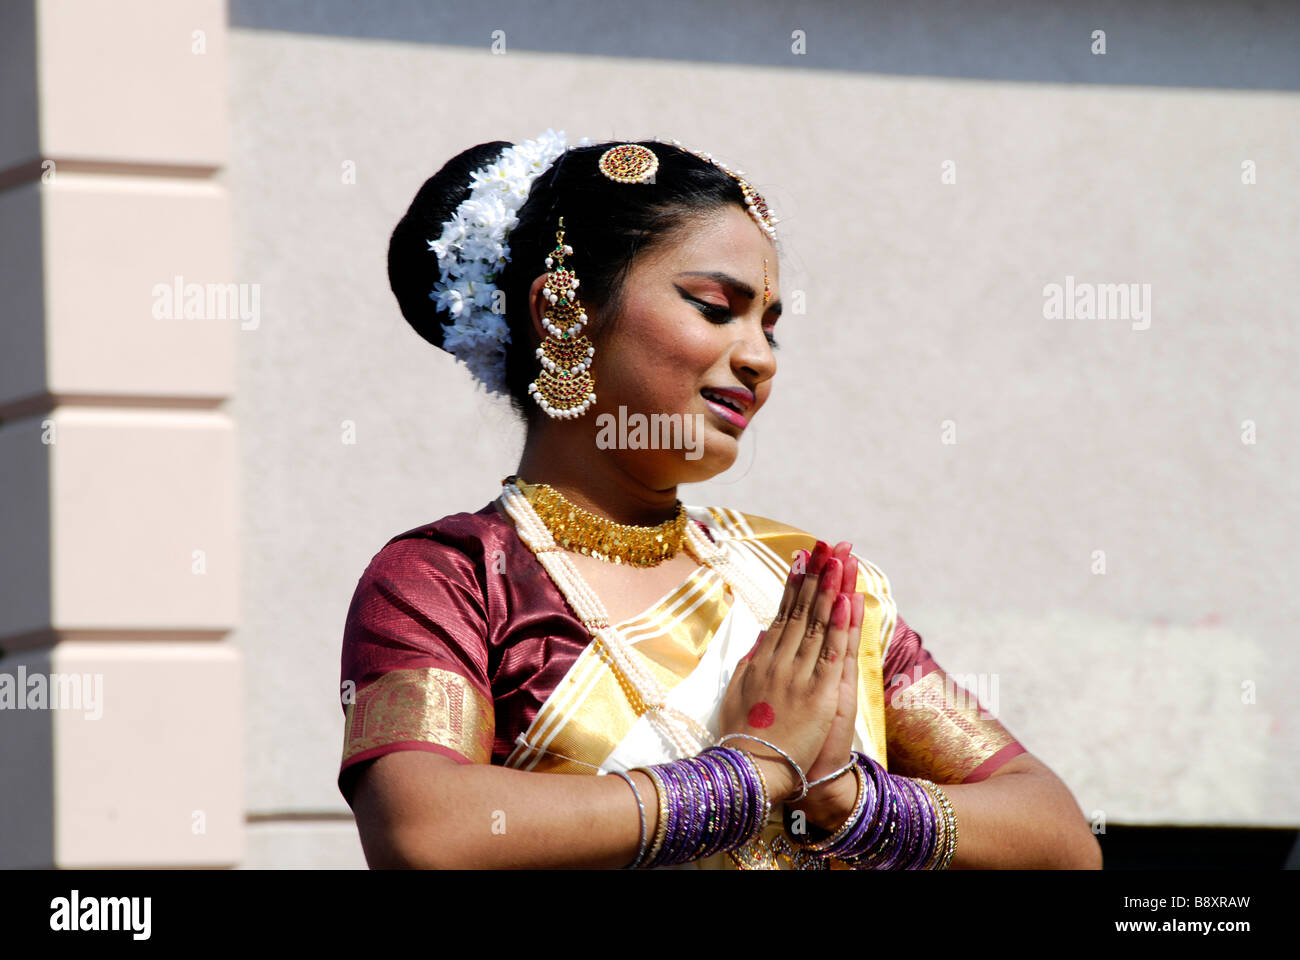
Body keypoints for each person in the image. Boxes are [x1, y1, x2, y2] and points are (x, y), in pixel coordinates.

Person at [338, 131, 1102, 870]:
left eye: (770, 327)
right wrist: (747, 775)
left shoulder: (809, 587)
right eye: (713, 307)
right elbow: (425, 831)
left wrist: (844, 799)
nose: (760, 358)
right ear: (563, 311)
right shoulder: (454, 579)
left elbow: (1060, 838)